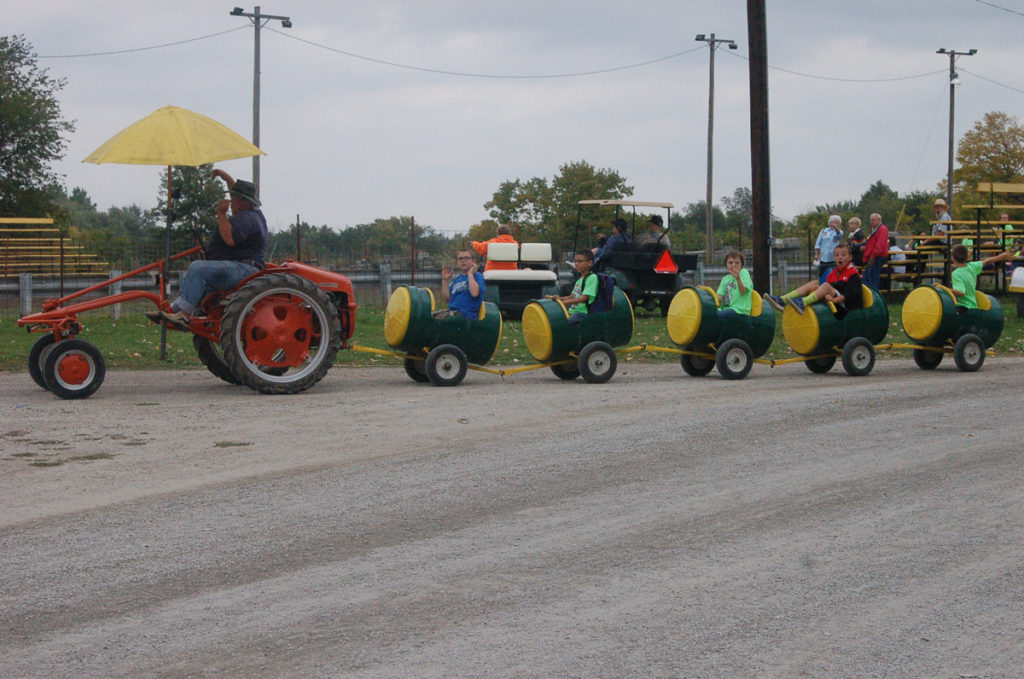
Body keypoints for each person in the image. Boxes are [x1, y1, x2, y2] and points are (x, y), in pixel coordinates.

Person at [148, 168, 267, 329]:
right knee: (199, 275)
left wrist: (221, 214)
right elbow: (237, 190)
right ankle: (173, 311)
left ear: (243, 202)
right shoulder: (254, 213)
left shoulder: (246, 218)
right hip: (241, 266)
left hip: (243, 269)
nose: (230, 201)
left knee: (198, 268)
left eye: (233, 198)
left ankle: (183, 315)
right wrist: (225, 176)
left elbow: (230, 239)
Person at [763, 243, 862, 319]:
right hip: (833, 302)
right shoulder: (833, 273)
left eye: (843, 255)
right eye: (837, 255)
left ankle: (803, 302)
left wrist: (833, 300)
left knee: (826, 285)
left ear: (850, 257)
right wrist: (826, 296)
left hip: (847, 308)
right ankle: (782, 300)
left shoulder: (852, 274)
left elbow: (851, 295)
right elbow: (827, 289)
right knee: (813, 284)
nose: (840, 257)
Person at [949, 244, 1013, 311]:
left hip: (963, 307)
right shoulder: (971, 266)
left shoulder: (956, 273)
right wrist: (1000, 257)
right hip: (973, 305)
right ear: (967, 256)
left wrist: (945, 290)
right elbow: (987, 261)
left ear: (953, 258)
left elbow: (960, 292)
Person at [432, 249, 484, 320]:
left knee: (438, 320)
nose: (463, 261)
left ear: (473, 261)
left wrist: (470, 274)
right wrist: (445, 280)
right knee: (428, 317)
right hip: (452, 311)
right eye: (460, 258)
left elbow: (474, 293)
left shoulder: (477, 276)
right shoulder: (457, 279)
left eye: (466, 258)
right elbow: (446, 299)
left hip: (466, 314)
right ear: (457, 263)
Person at [549, 249, 598, 324]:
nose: (576, 264)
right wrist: (560, 299)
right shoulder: (579, 280)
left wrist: (565, 303)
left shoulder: (592, 278)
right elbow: (572, 296)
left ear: (589, 263)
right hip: (573, 310)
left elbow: (584, 298)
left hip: (582, 312)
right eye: (575, 261)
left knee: (564, 323)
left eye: (580, 261)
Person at [716, 249, 753, 317]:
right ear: (726, 265)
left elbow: (743, 292)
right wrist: (704, 293)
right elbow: (719, 297)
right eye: (730, 263)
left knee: (718, 316)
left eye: (737, 263)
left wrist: (738, 278)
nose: (733, 265)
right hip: (726, 309)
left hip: (739, 310)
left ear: (741, 265)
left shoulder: (743, 273)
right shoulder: (725, 279)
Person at [861, 213, 889, 290]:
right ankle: (872, 295)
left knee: (872, 279)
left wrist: (873, 256)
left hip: (877, 257)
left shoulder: (882, 229)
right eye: (870, 220)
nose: (871, 222)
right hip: (873, 256)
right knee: (868, 278)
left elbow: (880, 244)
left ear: (879, 220)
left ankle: (874, 296)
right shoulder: (875, 230)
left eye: (873, 220)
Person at [813, 215, 843, 283]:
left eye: (838, 223)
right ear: (830, 222)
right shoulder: (823, 231)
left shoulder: (839, 231)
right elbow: (818, 243)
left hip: (833, 258)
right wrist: (816, 254)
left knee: (832, 275)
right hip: (823, 257)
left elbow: (839, 235)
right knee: (822, 274)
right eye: (835, 222)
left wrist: (835, 227)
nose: (837, 224)